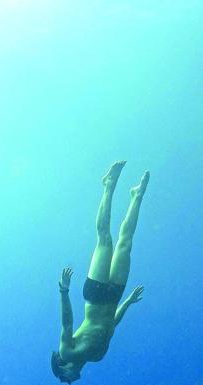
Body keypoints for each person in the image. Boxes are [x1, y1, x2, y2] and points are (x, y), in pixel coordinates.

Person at [51, 161, 149, 383]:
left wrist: (64, 291)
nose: (71, 382)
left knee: (105, 239)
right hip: (114, 298)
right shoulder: (97, 356)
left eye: (65, 380)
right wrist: (129, 302)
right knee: (125, 244)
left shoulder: (67, 352)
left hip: (94, 298)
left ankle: (108, 185)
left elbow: (67, 323)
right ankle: (137, 195)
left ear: (62, 368)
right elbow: (112, 324)